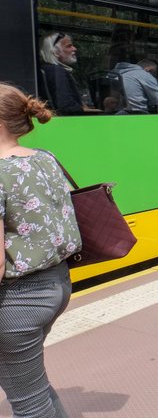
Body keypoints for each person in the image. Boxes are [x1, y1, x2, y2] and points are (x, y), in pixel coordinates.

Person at [0, 83, 81, 417]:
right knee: (33, 387)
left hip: (17, 301)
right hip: (58, 286)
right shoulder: (45, 158)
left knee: (28, 402)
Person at [39, 32, 97, 115]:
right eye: (69, 46)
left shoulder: (46, 69)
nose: (74, 49)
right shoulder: (57, 72)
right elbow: (66, 107)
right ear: (55, 51)